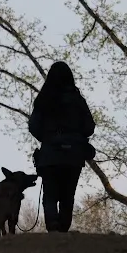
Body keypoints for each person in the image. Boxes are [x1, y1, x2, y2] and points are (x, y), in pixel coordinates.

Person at [28, 62, 96, 233]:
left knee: (50, 195)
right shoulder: (78, 100)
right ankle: (64, 231)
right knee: (68, 195)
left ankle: (53, 227)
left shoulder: (43, 99)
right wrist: (76, 136)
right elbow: (89, 127)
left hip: (50, 154)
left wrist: (48, 138)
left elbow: (33, 126)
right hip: (74, 155)